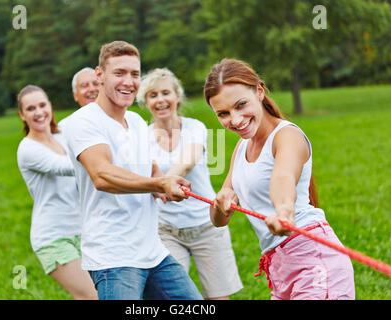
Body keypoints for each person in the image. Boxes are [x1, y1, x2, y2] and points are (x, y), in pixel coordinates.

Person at [61, 40, 203, 300]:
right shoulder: (83, 122)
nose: (129, 81)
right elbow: (102, 175)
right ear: (100, 76)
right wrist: (158, 185)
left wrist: (166, 183)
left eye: (135, 74)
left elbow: (150, 169)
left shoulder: (136, 121)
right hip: (113, 258)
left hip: (153, 252)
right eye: (120, 73)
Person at [204, 58, 355, 300]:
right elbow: (218, 221)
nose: (235, 119)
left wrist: (284, 211)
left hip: (315, 261)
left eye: (241, 104)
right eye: (223, 113)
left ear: (259, 92)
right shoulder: (241, 148)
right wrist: (221, 203)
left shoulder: (287, 136)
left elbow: (283, 178)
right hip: (280, 268)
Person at [136, 67, 243, 300]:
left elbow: (188, 161)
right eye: (152, 95)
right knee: (171, 297)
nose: (160, 100)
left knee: (218, 298)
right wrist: (157, 186)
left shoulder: (195, 127)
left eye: (165, 93)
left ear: (177, 96)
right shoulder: (141, 137)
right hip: (166, 231)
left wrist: (164, 183)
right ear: (145, 102)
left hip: (207, 226)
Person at [16, 85, 98, 300]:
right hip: (53, 237)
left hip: (83, 231)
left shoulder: (62, 134)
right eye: (31, 108)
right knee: (92, 296)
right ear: (22, 115)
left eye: (42, 105)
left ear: (50, 107)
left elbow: (88, 113)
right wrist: (98, 161)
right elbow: (65, 167)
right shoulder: (27, 149)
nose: (39, 112)